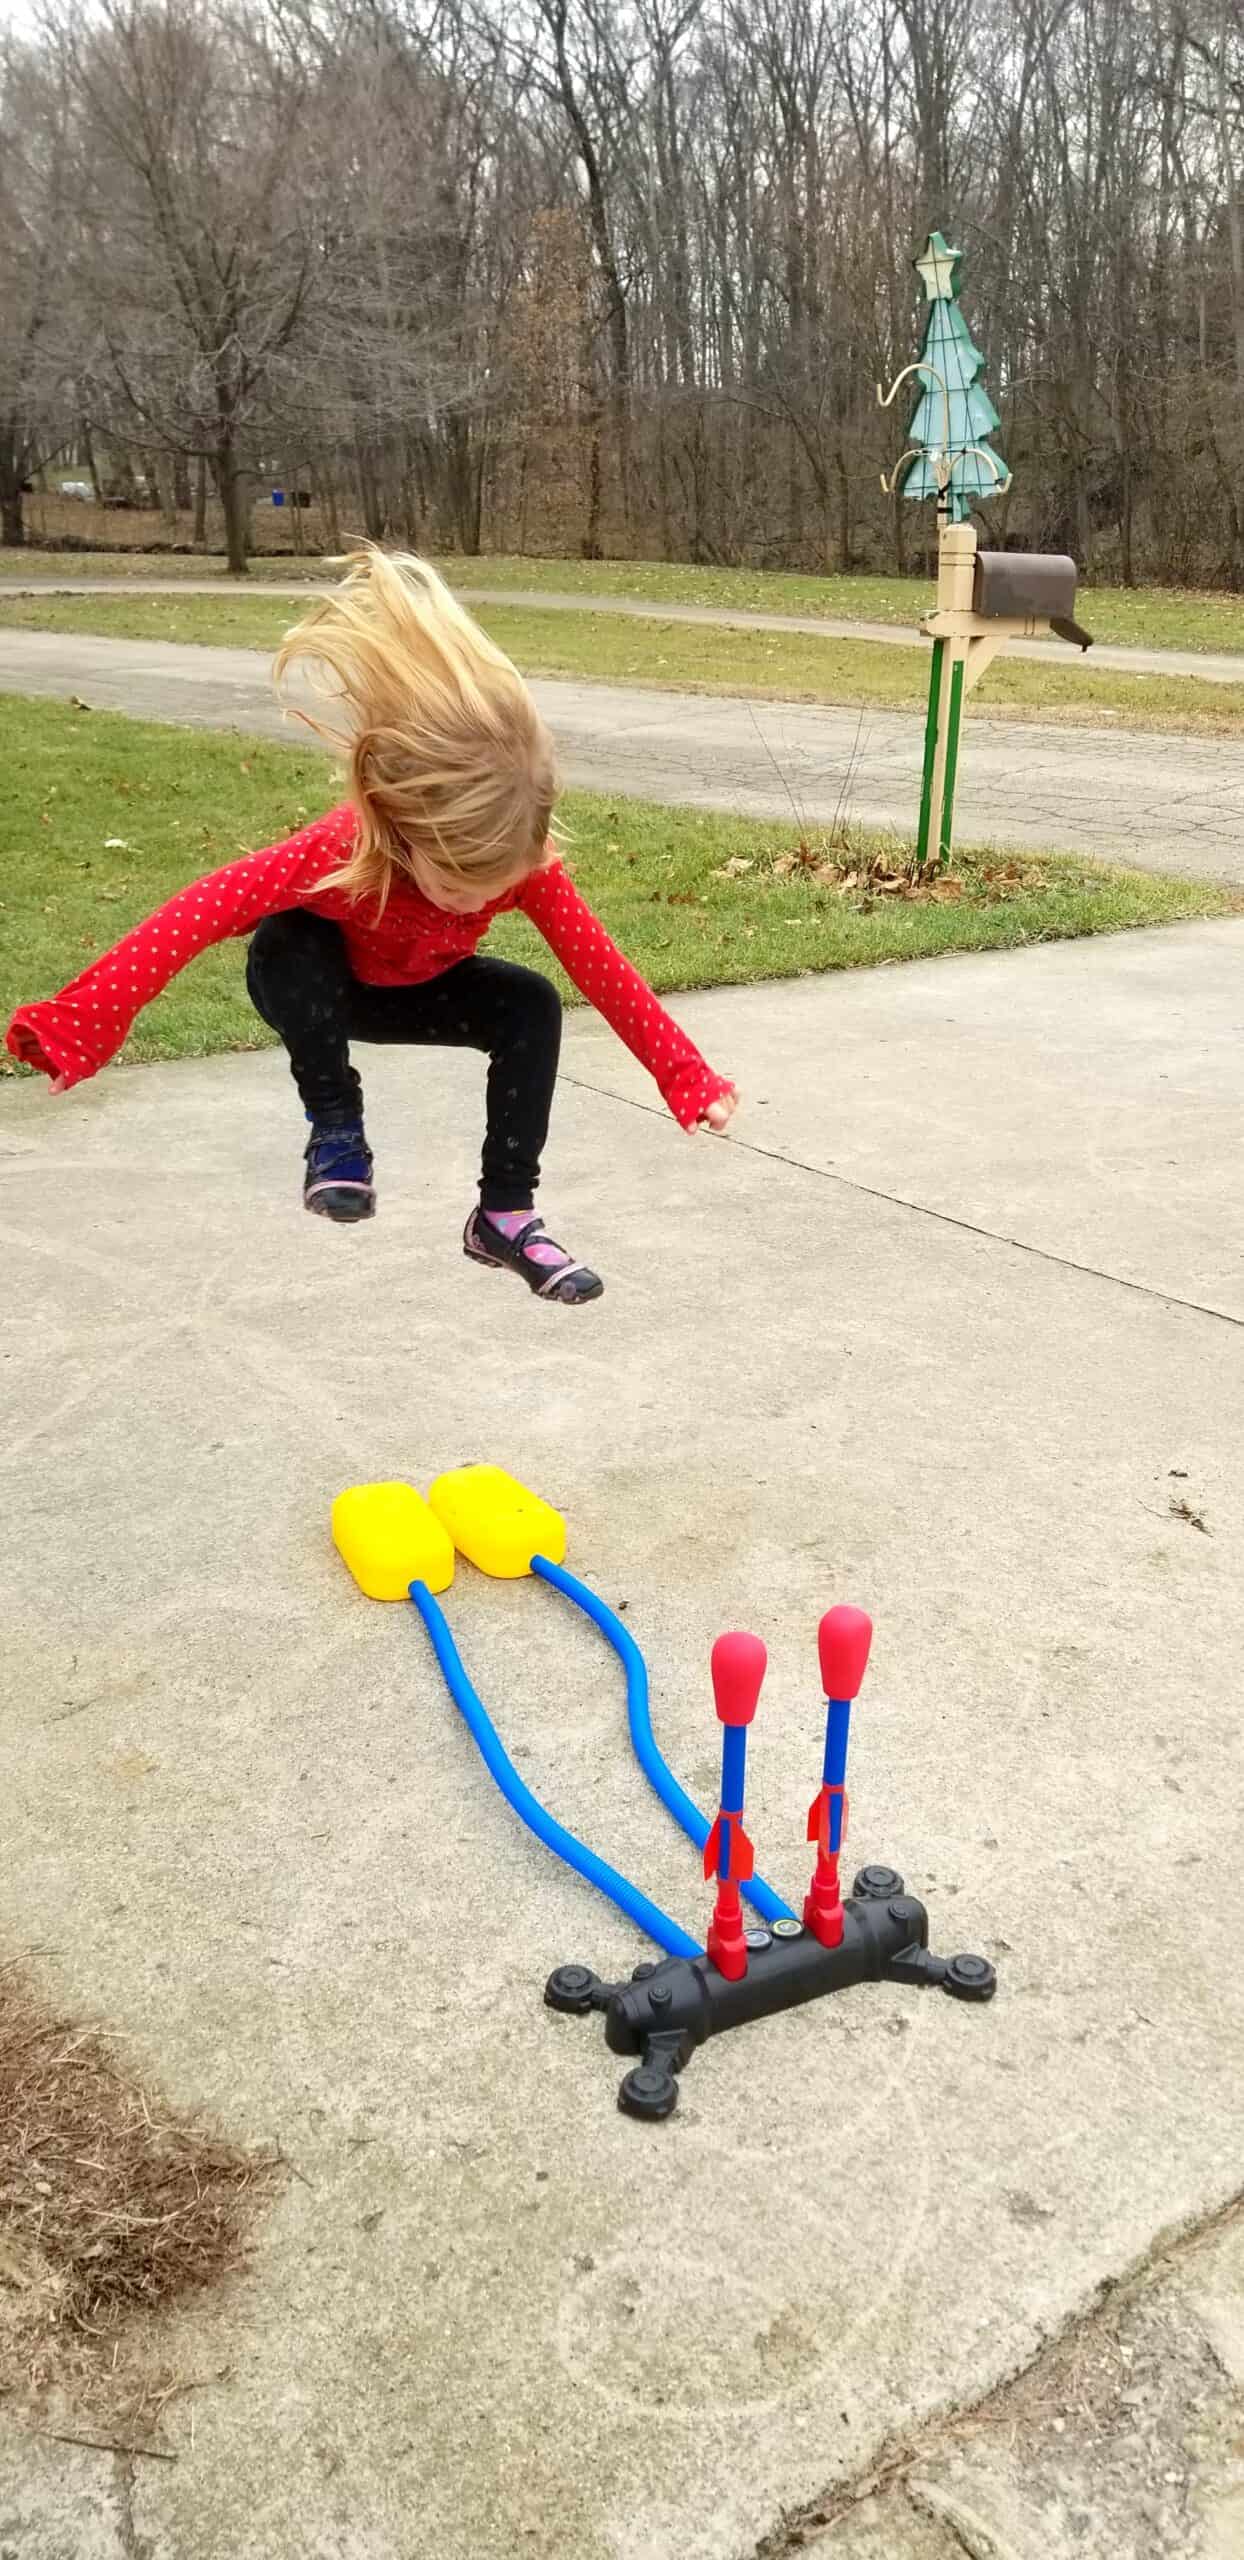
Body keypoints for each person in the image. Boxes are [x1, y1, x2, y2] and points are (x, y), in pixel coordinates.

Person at [5, 548, 737, 1306]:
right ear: (402, 829)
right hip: (316, 989)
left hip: (415, 992)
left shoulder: (525, 862)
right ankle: (336, 1129)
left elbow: (605, 972)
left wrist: (685, 1075)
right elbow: (192, 916)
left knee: (532, 1002)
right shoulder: (341, 850)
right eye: (457, 885)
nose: (470, 904)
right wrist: (81, 1022)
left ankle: (504, 1215)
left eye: (491, 889)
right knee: (290, 938)